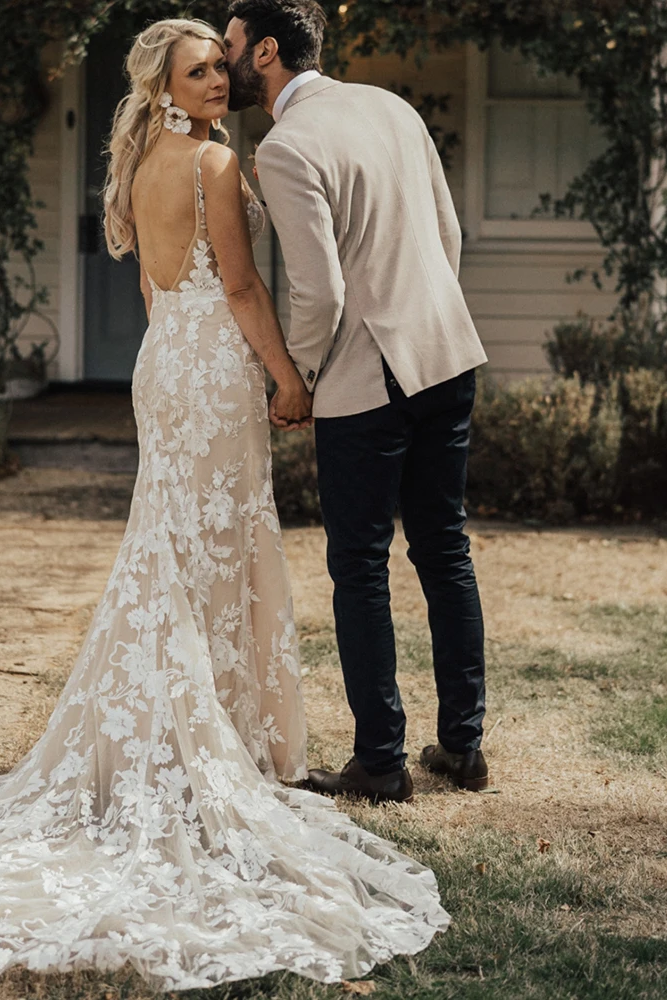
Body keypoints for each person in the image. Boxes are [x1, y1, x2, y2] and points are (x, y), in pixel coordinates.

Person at [0, 19, 448, 989]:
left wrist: (197, 359)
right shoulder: (207, 161)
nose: (218, 80)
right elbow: (242, 287)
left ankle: (204, 724)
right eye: (200, 70)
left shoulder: (137, 161)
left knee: (177, 546)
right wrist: (287, 380)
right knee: (212, 548)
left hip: (163, 363)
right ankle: (206, 735)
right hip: (210, 363)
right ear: (165, 82)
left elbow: (162, 289)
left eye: (220, 65)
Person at [224, 0, 490, 804]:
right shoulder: (392, 106)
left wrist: (295, 378)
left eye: (231, 45)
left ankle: (380, 762)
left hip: (365, 384)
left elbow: (319, 291)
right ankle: (463, 746)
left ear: (266, 52)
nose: (224, 58)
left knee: (360, 566)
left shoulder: (286, 145)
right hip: (446, 354)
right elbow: (447, 238)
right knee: (445, 550)